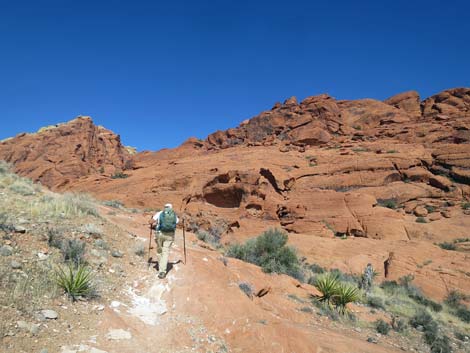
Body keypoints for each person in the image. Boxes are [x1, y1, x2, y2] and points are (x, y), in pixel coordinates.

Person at [149, 203, 179, 279]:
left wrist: (152, 219)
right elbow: (177, 222)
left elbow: (150, 222)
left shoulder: (160, 213)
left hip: (160, 234)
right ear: (171, 208)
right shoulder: (174, 214)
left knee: (159, 251)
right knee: (165, 252)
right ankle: (162, 270)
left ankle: (161, 268)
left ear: (164, 207)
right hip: (170, 236)